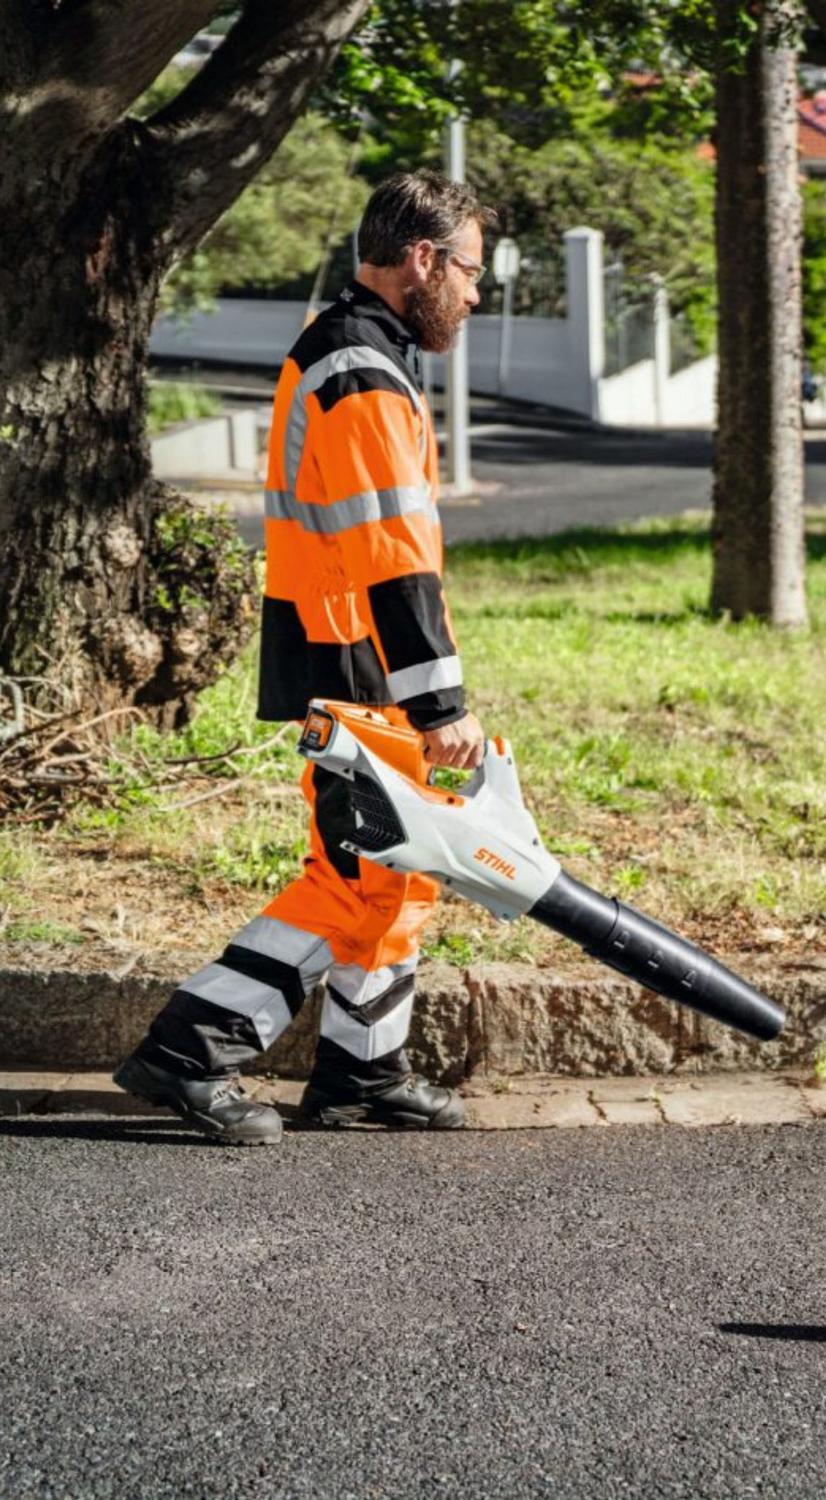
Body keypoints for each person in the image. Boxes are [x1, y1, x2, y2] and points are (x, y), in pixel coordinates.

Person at [113, 171, 498, 1145]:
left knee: (392, 873)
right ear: (422, 260)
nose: (475, 293)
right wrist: (440, 701)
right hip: (356, 662)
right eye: (471, 270)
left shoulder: (362, 352)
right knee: (351, 880)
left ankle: (363, 1077)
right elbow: (391, 552)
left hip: (352, 657)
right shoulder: (360, 368)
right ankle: (186, 1052)